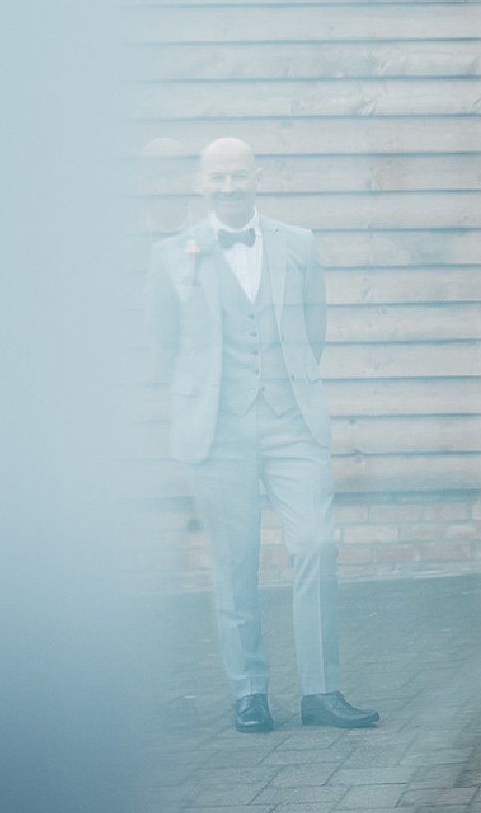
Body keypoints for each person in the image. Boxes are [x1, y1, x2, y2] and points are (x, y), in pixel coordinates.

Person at [148, 138, 378, 733]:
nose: (229, 187)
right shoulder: (173, 255)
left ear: (258, 177)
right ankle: (249, 692)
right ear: (202, 183)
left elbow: (315, 327)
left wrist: (286, 385)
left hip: (291, 419)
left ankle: (321, 693)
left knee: (315, 546)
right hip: (215, 430)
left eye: (239, 176)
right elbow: (163, 347)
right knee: (234, 563)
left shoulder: (298, 243)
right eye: (218, 178)